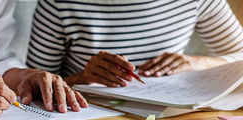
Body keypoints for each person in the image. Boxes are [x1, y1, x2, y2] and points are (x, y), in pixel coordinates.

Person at [27, 0, 243, 88]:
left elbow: (240, 54)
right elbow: (31, 86)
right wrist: (83, 78)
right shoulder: (59, 3)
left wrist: (195, 64)